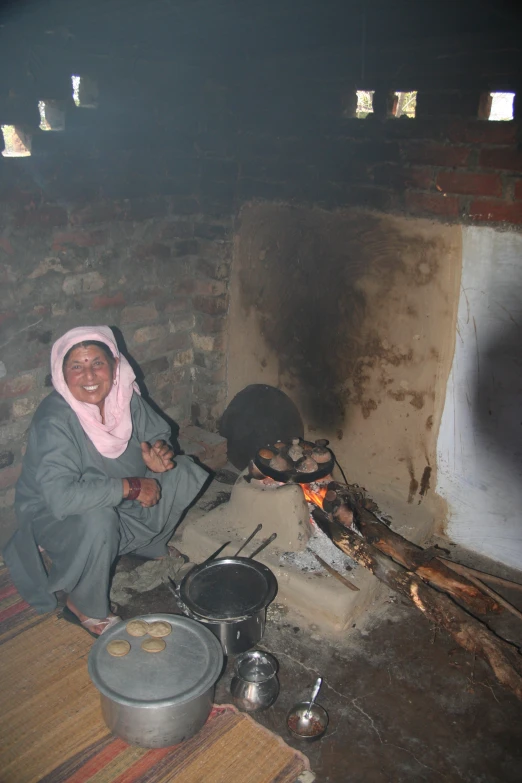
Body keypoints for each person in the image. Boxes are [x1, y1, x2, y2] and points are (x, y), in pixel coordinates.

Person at [3, 326, 209, 637]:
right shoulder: (54, 419)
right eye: (76, 366)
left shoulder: (123, 397)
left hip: (113, 497)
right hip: (56, 515)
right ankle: (84, 603)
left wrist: (158, 453)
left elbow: (156, 433)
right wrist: (133, 487)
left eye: (97, 363)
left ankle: (147, 545)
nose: (88, 375)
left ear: (114, 366)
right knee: (97, 517)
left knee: (180, 471)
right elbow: (61, 497)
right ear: (61, 373)